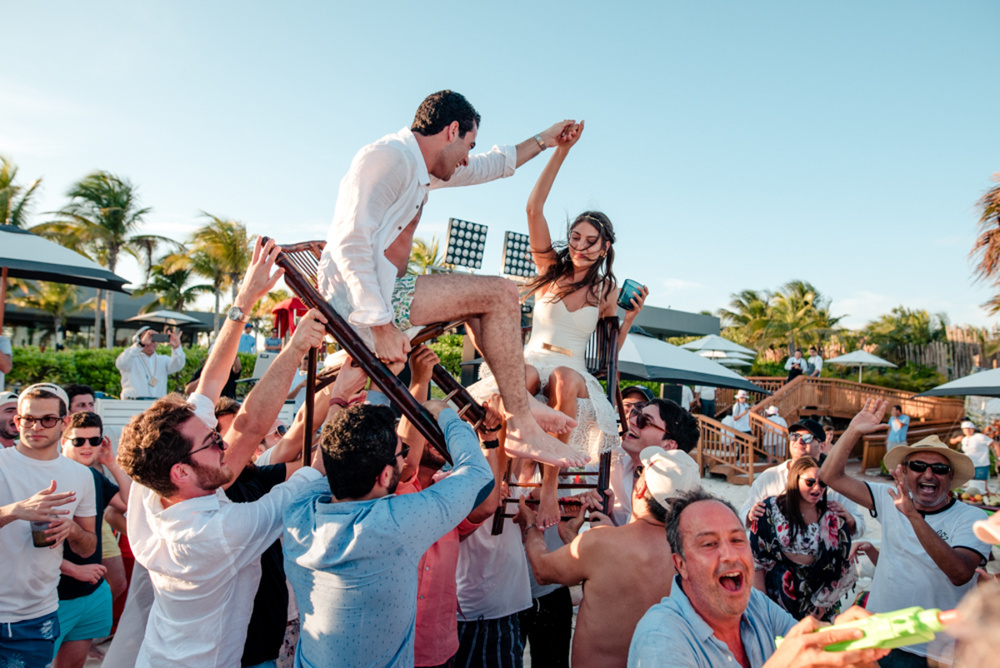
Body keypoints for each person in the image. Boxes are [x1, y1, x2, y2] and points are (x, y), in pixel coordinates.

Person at [316, 89, 587, 469]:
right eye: (468, 145)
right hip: (360, 304)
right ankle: (523, 422)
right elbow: (351, 242)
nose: (467, 158)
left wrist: (545, 139)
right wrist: (379, 325)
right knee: (501, 293)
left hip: (386, 291)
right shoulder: (388, 158)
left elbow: (491, 165)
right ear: (452, 130)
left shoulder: (420, 167)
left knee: (485, 305)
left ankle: (520, 411)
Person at [115, 238, 331, 667]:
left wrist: (245, 299)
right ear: (181, 472)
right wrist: (339, 402)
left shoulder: (149, 483)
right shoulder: (217, 533)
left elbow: (211, 383)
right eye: (213, 442)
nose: (223, 441)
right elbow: (302, 468)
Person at [474, 120, 646, 527]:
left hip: (574, 372)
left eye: (591, 241)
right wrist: (561, 151)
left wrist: (630, 319)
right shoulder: (548, 269)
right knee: (523, 373)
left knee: (566, 378)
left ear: (606, 246)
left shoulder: (606, 290)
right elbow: (533, 208)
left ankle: (549, 486)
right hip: (534, 359)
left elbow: (609, 353)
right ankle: (499, 479)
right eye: (575, 237)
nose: (581, 247)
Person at [283, 395, 493, 667]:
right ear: (384, 475)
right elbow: (478, 474)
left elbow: (331, 463)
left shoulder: (297, 511)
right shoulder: (395, 524)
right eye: (401, 453)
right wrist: (442, 411)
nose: (405, 460)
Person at [628, 489, 889, 667]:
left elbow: (807, 648)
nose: (730, 555)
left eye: (737, 539)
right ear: (681, 564)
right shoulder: (660, 637)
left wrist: (845, 643)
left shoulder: (755, 604)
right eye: (709, 544)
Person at [820, 399, 990, 665]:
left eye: (940, 469)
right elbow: (831, 475)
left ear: (950, 477)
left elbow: (959, 573)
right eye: (919, 467)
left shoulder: (973, 518)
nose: (929, 474)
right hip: (881, 638)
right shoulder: (889, 497)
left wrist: (912, 515)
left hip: (938, 651)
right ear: (904, 471)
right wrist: (853, 430)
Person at [519, 448, 700, 668]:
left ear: (641, 488)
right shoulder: (691, 556)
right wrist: (570, 538)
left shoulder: (602, 543)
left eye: (639, 473)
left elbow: (541, 570)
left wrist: (530, 525)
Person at [0, 383, 97, 667]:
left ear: (64, 423)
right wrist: (15, 511)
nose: (36, 426)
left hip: (37, 615)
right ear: (17, 421)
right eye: (28, 418)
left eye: (48, 419)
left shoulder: (81, 476)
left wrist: (73, 531)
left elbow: (88, 547)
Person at [54, 411, 131, 668]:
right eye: (78, 441)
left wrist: (111, 462)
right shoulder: (51, 478)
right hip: (53, 593)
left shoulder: (94, 476)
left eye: (94, 441)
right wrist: (73, 569)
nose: (87, 447)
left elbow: (128, 502)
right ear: (63, 441)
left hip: (87, 592)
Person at [749, 456, 857, 621]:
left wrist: (821, 607)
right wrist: (763, 606)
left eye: (822, 483)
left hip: (819, 604)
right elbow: (757, 561)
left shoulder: (832, 516)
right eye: (810, 482)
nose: (817, 488)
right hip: (775, 601)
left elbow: (843, 565)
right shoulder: (770, 510)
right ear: (795, 479)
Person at [740, 419, 865, 538]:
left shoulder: (834, 481)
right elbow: (744, 512)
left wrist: (850, 520)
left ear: (822, 447)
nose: (799, 441)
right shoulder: (770, 477)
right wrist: (750, 515)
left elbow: (859, 526)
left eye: (807, 438)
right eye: (794, 436)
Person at [609, 398, 700, 526]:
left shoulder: (677, 491)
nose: (632, 421)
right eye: (636, 414)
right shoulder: (612, 460)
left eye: (645, 421)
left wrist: (607, 531)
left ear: (668, 445)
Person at [115, 326, 186, 400]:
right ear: (138, 339)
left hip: (156, 405)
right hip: (132, 404)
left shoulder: (163, 360)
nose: (151, 341)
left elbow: (178, 365)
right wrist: (140, 344)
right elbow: (120, 364)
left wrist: (177, 348)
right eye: (148, 337)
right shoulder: (131, 357)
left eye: (154, 338)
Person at [950, 420, 995, 491]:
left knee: (981, 487)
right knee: (971, 487)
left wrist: (999, 458)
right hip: (970, 466)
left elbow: (995, 444)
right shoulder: (964, 439)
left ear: (973, 429)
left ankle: (986, 499)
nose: (967, 430)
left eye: (969, 428)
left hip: (981, 465)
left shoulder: (980, 436)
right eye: (965, 429)